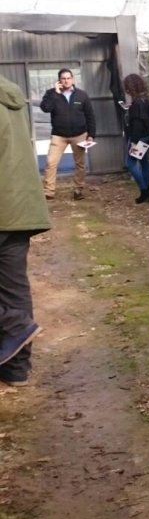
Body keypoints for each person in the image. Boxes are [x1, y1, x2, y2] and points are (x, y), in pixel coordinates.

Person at [0, 75, 50, 387]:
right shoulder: (10, 93)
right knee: (13, 287)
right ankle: (16, 369)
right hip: (19, 207)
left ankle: (14, 323)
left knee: (12, 299)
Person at [40, 68, 94, 200]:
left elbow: (90, 115)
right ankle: (48, 192)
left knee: (80, 163)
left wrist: (91, 134)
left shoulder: (82, 95)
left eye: (68, 78)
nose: (66, 81)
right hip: (59, 135)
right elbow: (45, 108)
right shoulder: (51, 94)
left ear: (73, 79)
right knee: (51, 162)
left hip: (79, 134)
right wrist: (56, 93)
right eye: (63, 78)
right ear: (59, 80)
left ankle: (78, 190)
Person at [121, 73, 149, 204]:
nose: (126, 90)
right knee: (143, 162)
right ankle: (147, 190)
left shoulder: (136, 104)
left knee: (131, 163)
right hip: (148, 136)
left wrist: (133, 142)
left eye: (127, 87)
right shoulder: (148, 100)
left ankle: (145, 190)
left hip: (138, 138)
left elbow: (137, 124)